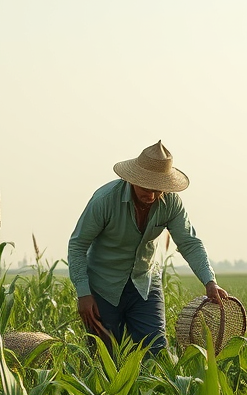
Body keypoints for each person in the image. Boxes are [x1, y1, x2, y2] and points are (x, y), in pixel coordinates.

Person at [68, 141, 227, 354]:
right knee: (104, 355)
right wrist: (83, 294)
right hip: (104, 285)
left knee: (156, 349)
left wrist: (210, 282)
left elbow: (189, 242)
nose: (151, 196)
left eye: (157, 189)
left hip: (145, 283)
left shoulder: (171, 203)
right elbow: (77, 245)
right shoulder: (104, 200)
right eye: (145, 188)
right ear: (132, 180)